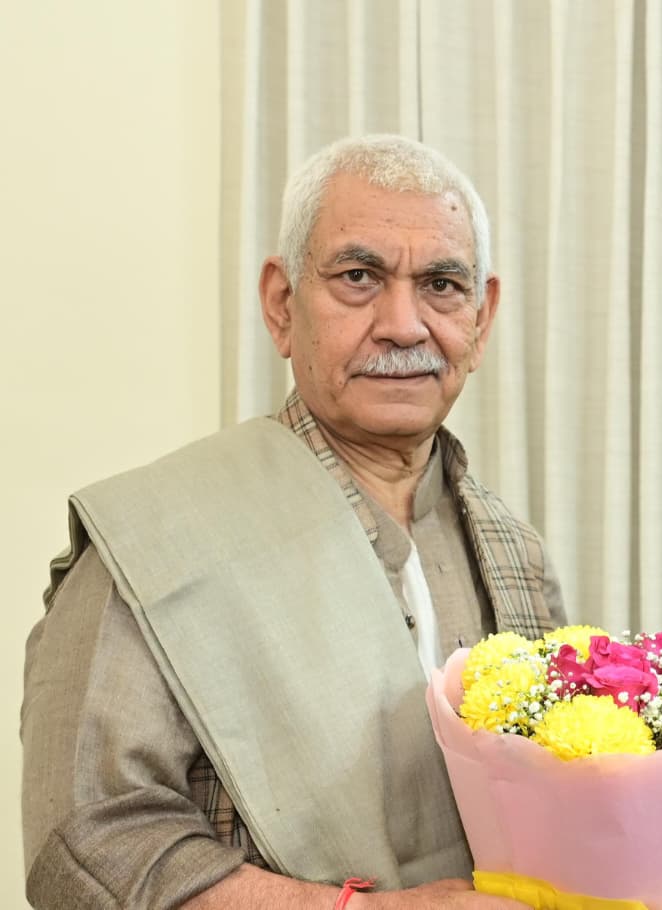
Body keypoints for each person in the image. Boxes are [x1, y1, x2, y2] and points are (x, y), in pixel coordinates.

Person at [22, 135, 562, 908]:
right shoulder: (157, 539)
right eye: (358, 277)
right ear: (282, 304)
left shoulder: (513, 551)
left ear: (481, 316)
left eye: (442, 284)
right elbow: (86, 844)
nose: (404, 325)